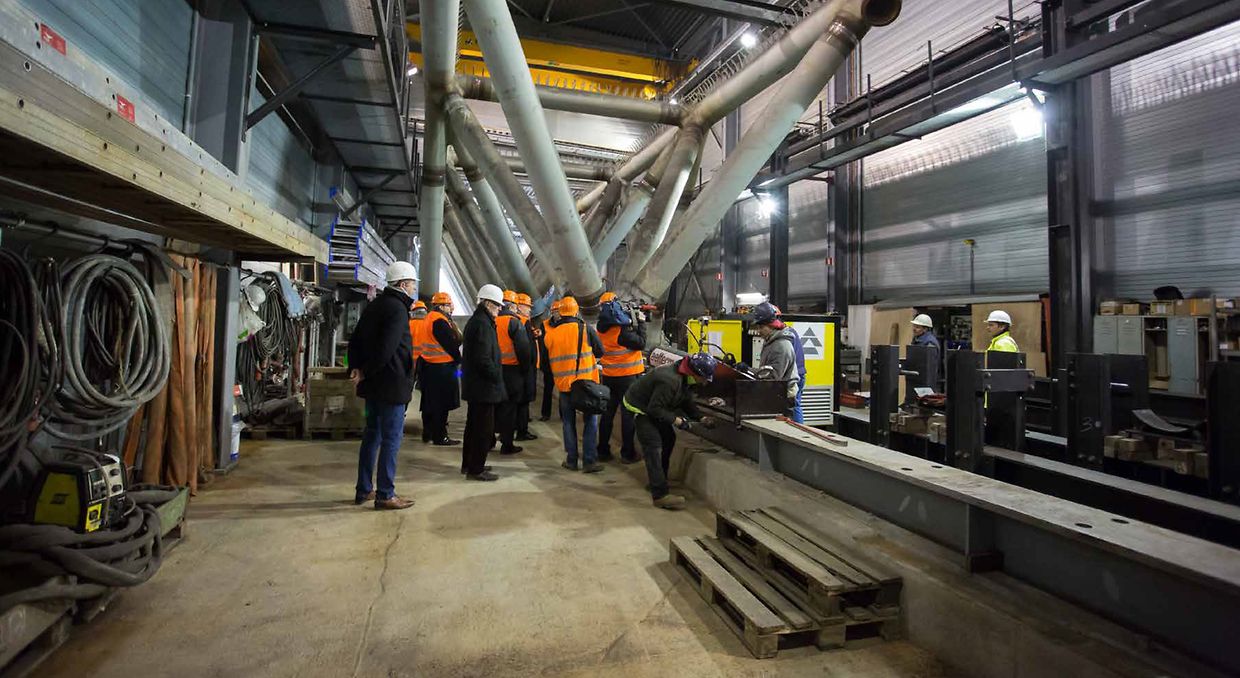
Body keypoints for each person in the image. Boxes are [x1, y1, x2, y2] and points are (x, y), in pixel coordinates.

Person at [346, 261, 418, 510]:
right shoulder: (397, 309)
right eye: (412, 284)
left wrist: (357, 368)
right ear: (403, 284)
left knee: (372, 435)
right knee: (391, 439)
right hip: (391, 386)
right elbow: (387, 349)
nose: (414, 288)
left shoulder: (375, 304)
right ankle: (385, 494)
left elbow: (355, 340)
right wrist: (365, 371)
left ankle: (364, 489)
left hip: (374, 387)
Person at [623, 353, 718, 510]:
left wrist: (700, 417)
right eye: (704, 378)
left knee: (669, 438)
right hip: (640, 408)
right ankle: (660, 495)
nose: (705, 382)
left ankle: (660, 479)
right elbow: (655, 409)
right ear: (695, 373)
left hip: (654, 407)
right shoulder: (669, 380)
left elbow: (685, 400)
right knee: (653, 446)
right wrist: (677, 421)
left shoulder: (685, 376)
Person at [544, 296, 605, 473]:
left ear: (560, 312)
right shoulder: (585, 329)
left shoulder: (551, 334)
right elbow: (600, 351)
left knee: (568, 423)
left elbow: (547, 361)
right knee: (590, 421)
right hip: (586, 385)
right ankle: (589, 461)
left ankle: (571, 460)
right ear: (576, 311)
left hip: (564, 387)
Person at [460, 284, 506, 481]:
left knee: (473, 427)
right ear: (487, 303)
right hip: (483, 387)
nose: (500, 308)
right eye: (497, 305)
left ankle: (469, 464)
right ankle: (476, 469)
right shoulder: (482, 325)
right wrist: (497, 377)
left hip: (476, 386)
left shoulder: (479, 321)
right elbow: (483, 359)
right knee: (482, 429)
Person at [595, 292, 645, 464]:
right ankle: (627, 453)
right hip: (628, 377)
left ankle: (602, 451)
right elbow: (641, 343)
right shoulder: (622, 331)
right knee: (627, 415)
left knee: (607, 415)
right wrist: (641, 323)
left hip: (609, 376)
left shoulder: (600, 328)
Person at [416, 292, 461, 446]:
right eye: (448, 305)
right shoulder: (440, 321)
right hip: (441, 368)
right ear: (441, 306)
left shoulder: (429, 318)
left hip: (428, 366)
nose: (450, 308)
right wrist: (459, 359)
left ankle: (427, 433)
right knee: (441, 405)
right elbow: (451, 344)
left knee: (429, 403)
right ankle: (440, 436)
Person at [495, 290, 532, 456]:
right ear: (512, 306)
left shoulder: (492, 320)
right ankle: (507, 444)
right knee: (509, 409)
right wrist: (525, 370)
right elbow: (524, 350)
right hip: (512, 371)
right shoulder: (514, 322)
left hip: (495, 370)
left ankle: (490, 439)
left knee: (495, 407)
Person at [752, 302, 800, 414]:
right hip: (775, 394)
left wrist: (749, 370)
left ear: (772, 325)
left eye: (761, 327)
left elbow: (773, 377)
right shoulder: (771, 342)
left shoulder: (781, 346)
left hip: (783, 398)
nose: (758, 331)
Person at [772, 305, 808, 424]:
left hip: (795, 375)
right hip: (798, 373)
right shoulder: (789, 332)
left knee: (794, 405)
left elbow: (785, 360)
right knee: (793, 405)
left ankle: (799, 431)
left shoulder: (785, 335)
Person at [514, 293, 539, 441]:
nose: (529, 309)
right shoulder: (522, 322)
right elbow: (526, 348)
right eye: (527, 306)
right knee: (523, 400)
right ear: (519, 306)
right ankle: (522, 432)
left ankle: (511, 430)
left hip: (513, 367)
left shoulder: (514, 321)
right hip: (525, 368)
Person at [408, 300, 430, 441]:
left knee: (405, 390)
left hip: (409, 362)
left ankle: (400, 416)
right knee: (426, 395)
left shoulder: (408, 324)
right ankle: (427, 428)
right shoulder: (428, 324)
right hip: (425, 362)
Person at [538, 300, 561, 422]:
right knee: (548, 390)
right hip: (549, 364)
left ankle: (563, 414)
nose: (558, 314)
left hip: (562, 364)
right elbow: (542, 346)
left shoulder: (565, 325)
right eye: (555, 311)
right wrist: (543, 364)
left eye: (559, 311)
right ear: (552, 312)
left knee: (563, 391)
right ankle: (545, 414)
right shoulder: (545, 324)